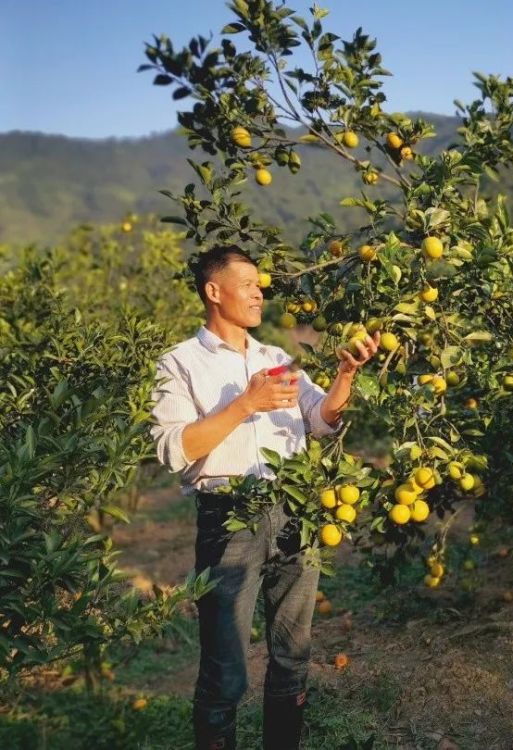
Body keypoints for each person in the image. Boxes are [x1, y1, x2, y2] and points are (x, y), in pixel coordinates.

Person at [150, 245, 379, 750]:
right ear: (214, 291)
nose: (260, 291)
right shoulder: (181, 363)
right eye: (249, 283)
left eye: (260, 284)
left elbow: (320, 420)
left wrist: (345, 376)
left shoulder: (276, 358)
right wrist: (245, 404)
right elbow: (173, 450)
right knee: (226, 670)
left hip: (294, 511)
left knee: (293, 654)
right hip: (229, 520)